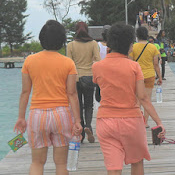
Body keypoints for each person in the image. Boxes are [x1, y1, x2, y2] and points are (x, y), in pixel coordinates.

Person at [92, 23, 165, 174]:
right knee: (137, 162)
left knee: (113, 168)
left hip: (106, 122)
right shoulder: (134, 67)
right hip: (131, 121)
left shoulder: (97, 67)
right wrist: (159, 122)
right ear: (130, 45)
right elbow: (143, 98)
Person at [14, 20, 82, 174]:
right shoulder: (68, 63)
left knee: (37, 163)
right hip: (61, 115)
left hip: (37, 115)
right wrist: (77, 120)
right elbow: (72, 94)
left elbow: (25, 92)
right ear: (62, 40)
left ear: (42, 38)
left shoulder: (29, 61)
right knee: (61, 164)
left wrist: (21, 117)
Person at [67, 22, 101, 143]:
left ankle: (80, 132)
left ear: (76, 31)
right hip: (89, 77)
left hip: (75, 78)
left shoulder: (70, 45)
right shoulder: (93, 44)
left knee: (78, 105)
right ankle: (88, 126)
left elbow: (69, 63)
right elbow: (97, 60)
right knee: (89, 105)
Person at [129, 26, 162, 128]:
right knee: (147, 99)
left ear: (137, 36)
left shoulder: (133, 47)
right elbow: (156, 64)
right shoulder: (153, 47)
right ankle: (145, 122)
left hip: (136, 76)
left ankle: (138, 121)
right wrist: (159, 77)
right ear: (147, 35)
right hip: (150, 75)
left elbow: (130, 62)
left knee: (137, 100)